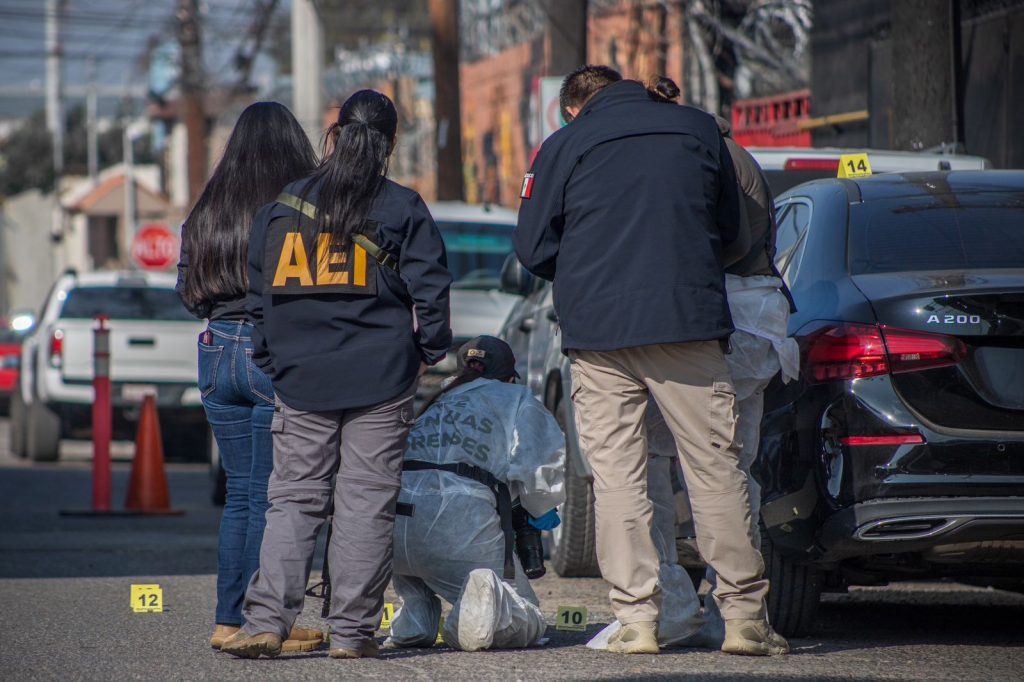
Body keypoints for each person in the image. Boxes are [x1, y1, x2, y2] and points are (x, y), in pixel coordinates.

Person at [513, 65, 787, 656]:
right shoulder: (698, 130)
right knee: (715, 469)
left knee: (618, 478)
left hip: (598, 331)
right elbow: (734, 233)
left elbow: (532, 248)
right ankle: (743, 616)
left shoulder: (562, 145)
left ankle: (637, 620)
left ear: (572, 108)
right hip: (687, 322)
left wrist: (585, 266)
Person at [220, 89, 453, 660]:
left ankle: (267, 622)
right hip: (382, 377)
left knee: (293, 501)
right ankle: (351, 634)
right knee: (365, 504)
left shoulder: (282, 208)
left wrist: (273, 361)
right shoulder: (403, 207)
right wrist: (427, 350)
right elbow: (432, 292)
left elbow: (258, 298)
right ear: (389, 143)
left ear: (335, 134)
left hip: (301, 378)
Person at [642, 76, 801, 649]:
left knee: (652, 463)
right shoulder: (733, 152)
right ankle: (732, 610)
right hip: (756, 324)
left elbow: (717, 241)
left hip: (707, 318)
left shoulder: (693, 154)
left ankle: (671, 604)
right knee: (730, 467)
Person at [175, 101, 323, 653]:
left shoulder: (209, 207)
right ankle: (262, 622)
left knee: (241, 492)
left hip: (215, 349)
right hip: (270, 349)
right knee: (270, 495)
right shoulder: (298, 206)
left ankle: (228, 619)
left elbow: (186, 288)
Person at [387, 336, 565, 652]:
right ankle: (480, 616)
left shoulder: (437, 399)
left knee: (417, 566)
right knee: (522, 613)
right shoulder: (516, 398)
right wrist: (541, 509)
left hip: (393, 528)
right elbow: (539, 468)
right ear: (509, 377)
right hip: (457, 527)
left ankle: (414, 622)